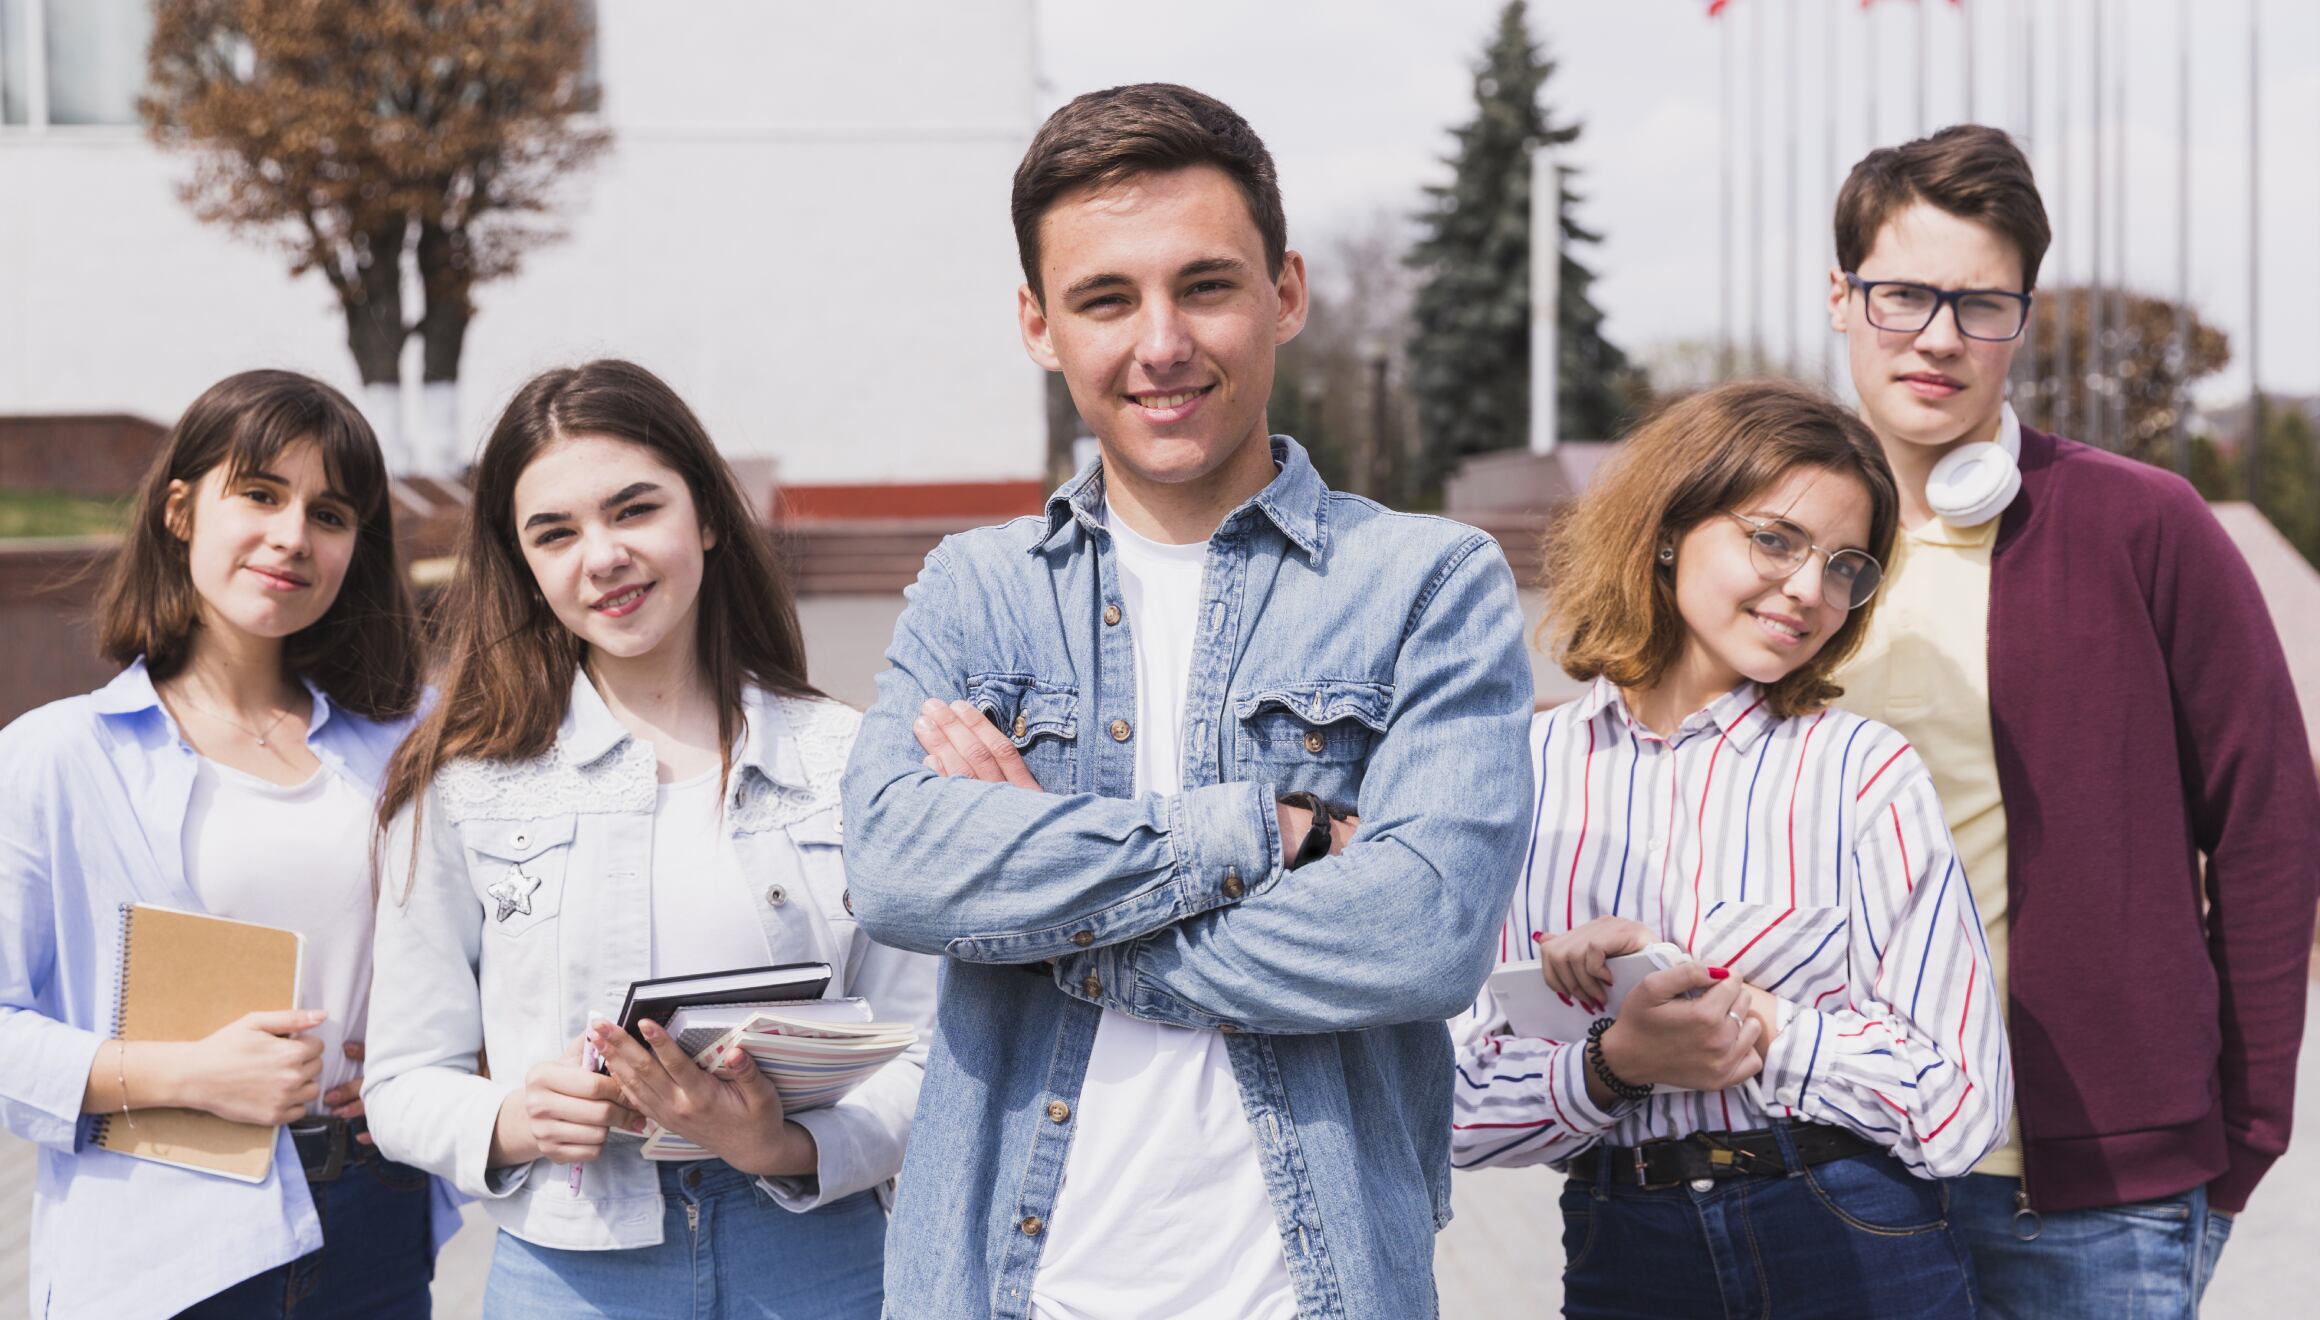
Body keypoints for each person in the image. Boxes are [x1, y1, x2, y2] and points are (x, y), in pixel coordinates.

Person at [838, 82, 1535, 1319]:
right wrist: (1265, 834)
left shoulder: (1426, 584)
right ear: (1038, 324)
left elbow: (1419, 935)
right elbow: (896, 871)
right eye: (1106, 298)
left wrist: (1041, 903)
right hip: (1004, 1286)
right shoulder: (977, 590)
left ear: (1286, 292)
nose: (1160, 342)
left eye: (1203, 285)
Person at [1823, 125, 2319, 1317]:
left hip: (2095, 1198)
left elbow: (2266, 822)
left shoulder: (2141, 524)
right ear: (1840, 299)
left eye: (1979, 304)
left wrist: (2244, 1130)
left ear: (2021, 320)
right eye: (1902, 295)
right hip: (1838, 1167)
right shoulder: (1769, 551)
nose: (1938, 336)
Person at [362, 359, 935, 1320]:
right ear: (525, 565)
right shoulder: (461, 788)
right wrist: (512, 1116)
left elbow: (930, 1046)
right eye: (556, 533)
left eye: (634, 510)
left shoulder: (855, 761)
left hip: (821, 1257)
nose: (603, 556)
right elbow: (402, 1079)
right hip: (571, 1269)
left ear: (706, 516)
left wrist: (782, 1148)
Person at [1451, 380, 2009, 1318]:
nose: (1808, 590)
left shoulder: (1863, 774)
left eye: (1845, 566)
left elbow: (1958, 1104)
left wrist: (1760, 1020)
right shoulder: (1520, 773)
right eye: (1776, 539)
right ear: (1669, 527)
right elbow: (1449, 1107)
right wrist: (1614, 1062)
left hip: (1854, 1238)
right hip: (1622, 1246)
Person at [0, 370, 453, 1318]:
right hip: (160, 1245)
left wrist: (443, 1062)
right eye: (259, 494)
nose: (292, 536)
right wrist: (186, 1074)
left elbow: (496, 945)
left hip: (375, 1221)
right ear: (180, 509)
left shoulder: (410, 739)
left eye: (329, 513)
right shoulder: (57, 757)